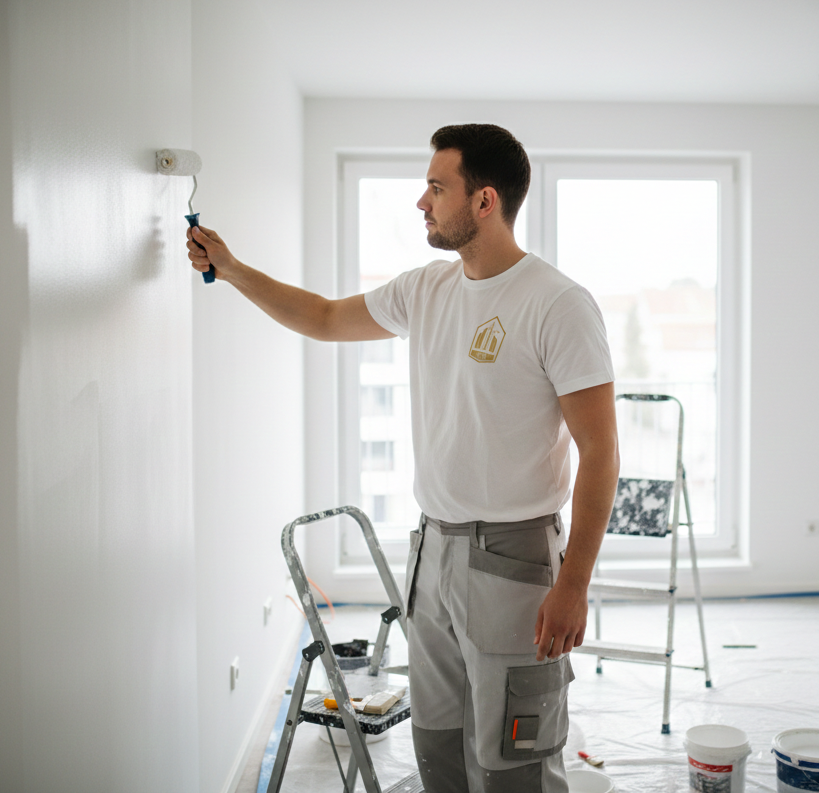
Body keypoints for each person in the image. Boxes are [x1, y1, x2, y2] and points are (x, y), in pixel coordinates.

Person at [186, 123, 619, 793]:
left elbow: (600, 453)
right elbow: (327, 318)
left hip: (514, 558)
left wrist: (575, 584)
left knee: (513, 763)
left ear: (484, 201)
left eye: (436, 187)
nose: (422, 201)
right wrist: (232, 268)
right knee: (438, 748)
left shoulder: (557, 304)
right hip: (432, 553)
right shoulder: (428, 291)